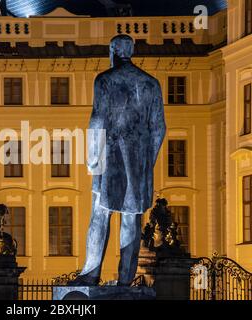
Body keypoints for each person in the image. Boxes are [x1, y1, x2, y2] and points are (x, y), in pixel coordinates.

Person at [70, 35, 166, 286]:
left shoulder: (105, 80)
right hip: (139, 159)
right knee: (131, 217)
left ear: (113, 51)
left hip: (110, 153)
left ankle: (91, 273)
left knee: (101, 213)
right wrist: (148, 162)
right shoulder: (151, 84)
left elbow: (98, 119)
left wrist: (92, 158)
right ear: (131, 51)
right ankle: (125, 279)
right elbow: (159, 128)